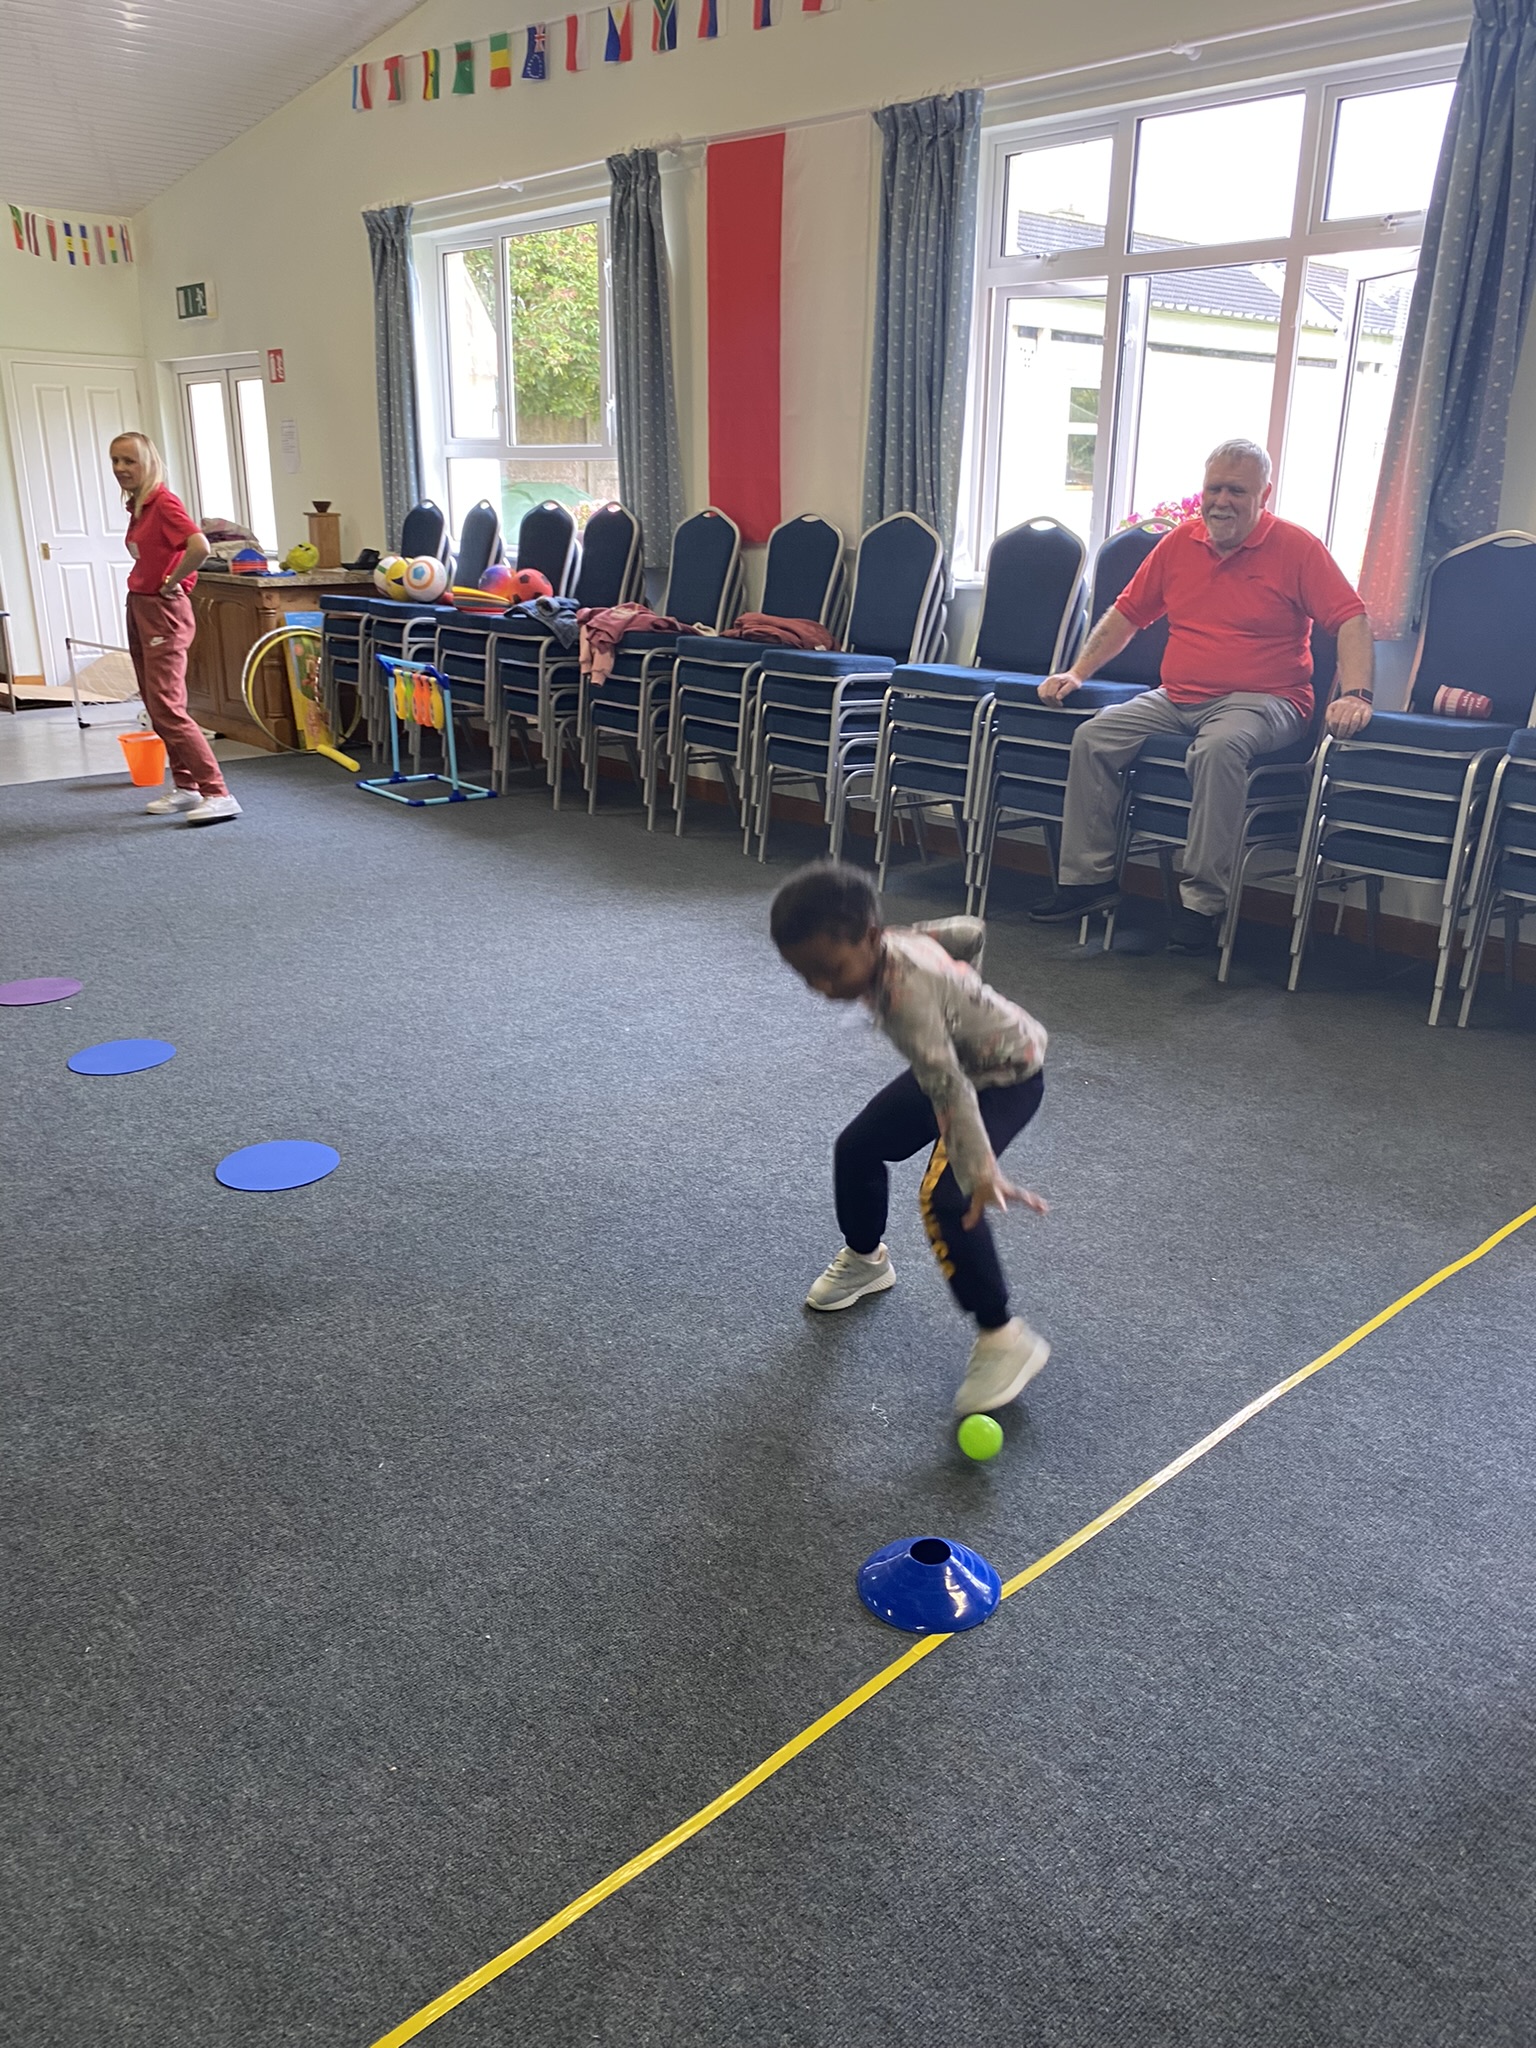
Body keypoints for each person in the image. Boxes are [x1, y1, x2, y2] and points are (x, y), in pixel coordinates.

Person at [1029, 438, 1373, 953]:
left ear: (1264, 495)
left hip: (1268, 700)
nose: (1221, 501)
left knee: (1217, 748)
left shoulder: (1297, 548)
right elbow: (1127, 614)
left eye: (1237, 491)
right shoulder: (1179, 544)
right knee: (1095, 736)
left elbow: (1351, 618)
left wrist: (1358, 694)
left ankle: (1203, 905)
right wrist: (1077, 673)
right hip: (1177, 697)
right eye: (1214, 489)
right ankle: (1088, 881)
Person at [771, 861, 1051, 1419]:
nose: (823, 988)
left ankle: (1003, 1336)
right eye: (807, 976)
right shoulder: (896, 941)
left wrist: (980, 1172)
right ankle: (865, 1258)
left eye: (831, 970)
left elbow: (948, 1085)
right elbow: (969, 932)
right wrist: (964, 989)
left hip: (1004, 1077)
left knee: (946, 1199)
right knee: (857, 1147)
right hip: (954, 1062)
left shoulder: (905, 1002)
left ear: (870, 937)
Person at [110, 432, 241, 826]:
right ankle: (187, 787)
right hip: (141, 605)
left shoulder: (164, 502)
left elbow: (199, 546)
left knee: (168, 706)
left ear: (148, 462)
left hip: (163, 610)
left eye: (129, 461)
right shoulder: (139, 507)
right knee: (155, 706)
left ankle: (218, 792)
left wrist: (172, 581)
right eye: (115, 461)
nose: (120, 468)